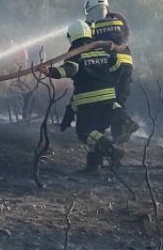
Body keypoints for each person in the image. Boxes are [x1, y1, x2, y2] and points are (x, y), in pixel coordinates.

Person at [39, 20, 124, 174]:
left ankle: (111, 148)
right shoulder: (101, 49)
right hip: (108, 99)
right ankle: (93, 166)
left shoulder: (76, 51)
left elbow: (70, 70)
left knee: (84, 132)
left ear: (71, 36)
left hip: (89, 101)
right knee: (96, 132)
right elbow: (116, 67)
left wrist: (50, 72)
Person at [84, 0, 139, 145]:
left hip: (112, 64)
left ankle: (125, 124)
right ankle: (120, 135)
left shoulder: (92, 26)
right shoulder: (119, 22)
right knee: (119, 99)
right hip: (127, 64)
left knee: (108, 98)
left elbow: (86, 44)